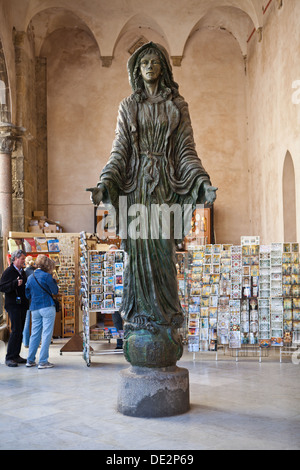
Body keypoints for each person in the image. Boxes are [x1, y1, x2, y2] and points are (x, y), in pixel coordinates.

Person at [87, 42, 217, 366]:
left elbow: (186, 150)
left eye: (154, 61)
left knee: (162, 257)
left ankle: (165, 320)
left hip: (165, 191)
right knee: (138, 258)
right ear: (136, 69)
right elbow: (120, 150)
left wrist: (200, 180)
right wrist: (105, 182)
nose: (148, 66)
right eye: (143, 61)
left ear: (163, 67)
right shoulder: (128, 105)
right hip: (137, 194)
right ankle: (140, 319)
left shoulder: (177, 105)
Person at [25, 254, 58, 369]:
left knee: (34, 334)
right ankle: (43, 361)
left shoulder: (30, 277)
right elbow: (54, 291)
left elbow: (27, 294)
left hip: (34, 307)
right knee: (46, 334)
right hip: (47, 306)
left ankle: (30, 359)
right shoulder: (47, 277)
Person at [0, 249, 29, 367]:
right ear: (15, 259)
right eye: (22, 259)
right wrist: (14, 284)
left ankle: (16, 355)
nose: (23, 261)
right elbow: (2, 287)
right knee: (16, 330)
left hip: (22, 305)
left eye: (24, 259)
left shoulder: (22, 272)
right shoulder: (9, 271)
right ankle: (9, 357)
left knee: (20, 331)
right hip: (13, 306)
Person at [22, 256, 36, 347]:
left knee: (26, 322)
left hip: (27, 299)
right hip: (35, 299)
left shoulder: (24, 272)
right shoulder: (36, 272)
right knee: (36, 322)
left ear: (25, 263)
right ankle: (35, 342)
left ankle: (26, 342)